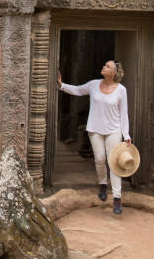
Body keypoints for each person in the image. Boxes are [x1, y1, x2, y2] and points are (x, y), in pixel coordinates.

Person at [57, 60, 131, 215]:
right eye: (104, 65)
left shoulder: (121, 90)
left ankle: (117, 198)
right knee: (99, 159)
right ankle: (103, 184)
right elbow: (78, 90)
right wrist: (61, 85)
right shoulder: (94, 84)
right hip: (95, 128)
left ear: (114, 73)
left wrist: (126, 135)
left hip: (114, 130)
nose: (104, 67)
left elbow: (124, 114)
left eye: (107, 66)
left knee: (114, 162)